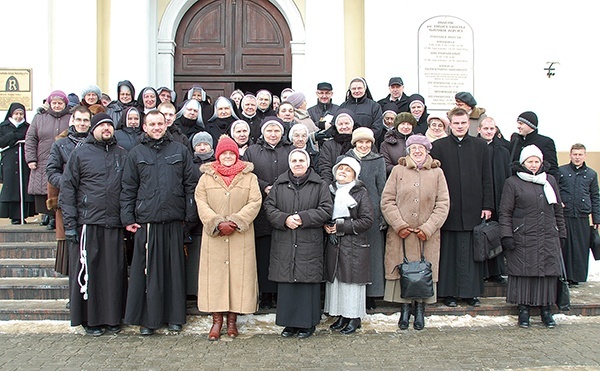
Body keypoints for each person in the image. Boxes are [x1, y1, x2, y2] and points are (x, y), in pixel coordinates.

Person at [121, 110, 199, 335]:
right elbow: (128, 189)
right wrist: (128, 218)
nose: (156, 127)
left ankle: (175, 317)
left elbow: (190, 186)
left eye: (160, 123)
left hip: (175, 221)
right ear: (145, 127)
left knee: (174, 274)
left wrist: (189, 217)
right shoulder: (136, 153)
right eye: (152, 124)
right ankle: (149, 320)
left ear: (166, 125)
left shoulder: (180, 151)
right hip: (147, 223)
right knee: (148, 275)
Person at [59, 113, 128, 336]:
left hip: (114, 223)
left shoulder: (122, 154)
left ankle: (112, 318)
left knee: (113, 274)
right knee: (90, 272)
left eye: (109, 125)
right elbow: (68, 190)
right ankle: (90, 320)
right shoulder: (80, 154)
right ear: (93, 129)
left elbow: (129, 189)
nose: (106, 129)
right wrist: (70, 224)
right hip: (87, 223)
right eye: (102, 125)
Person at [195, 136, 262, 340]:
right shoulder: (206, 177)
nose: (227, 157)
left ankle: (232, 322)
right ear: (218, 155)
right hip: (214, 236)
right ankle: (217, 322)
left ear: (236, 154)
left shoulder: (249, 177)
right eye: (223, 153)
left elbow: (255, 201)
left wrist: (235, 221)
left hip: (239, 235)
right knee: (215, 279)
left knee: (237, 278)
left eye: (231, 153)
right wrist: (216, 222)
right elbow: (201, 201)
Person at [381, 134, 449, 330]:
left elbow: (443, 204)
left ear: (427, 151)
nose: (417, 151)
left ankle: (420, 309)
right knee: (403, 269)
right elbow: (387, 200)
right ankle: (404, 309)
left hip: (427, 234)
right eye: (414, 148)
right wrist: (399, 225)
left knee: (423, 271)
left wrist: (428, 227)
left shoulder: (437, 173)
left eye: (421, 148)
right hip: (401, 233)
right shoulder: (398, 170)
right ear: (408, 150)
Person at [264, 148, 333, 338]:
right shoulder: (280, 183)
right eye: (294, 160)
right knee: (287, 282)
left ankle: (307, 324)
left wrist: (303, 218)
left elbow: (326, 209)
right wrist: (284, 219)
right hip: (285, 239)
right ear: (289, 163)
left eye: (301, 160)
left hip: (308, 240)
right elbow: (269, 207)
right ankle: (289, 324)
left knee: (306, 282)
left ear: (308, 163)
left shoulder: (319, 184)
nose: (297, 163)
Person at [429, 107, 493, 308]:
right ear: (450, 124)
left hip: (473, 207)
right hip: (449, 208)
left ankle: (471, 292)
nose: (460, 126)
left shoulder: (480, 146)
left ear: (469, 124)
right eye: (456, 123)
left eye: (463, 123)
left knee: (471, 253)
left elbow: (487, 177)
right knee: (449, 252)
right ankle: (449, 293)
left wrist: (487, 205)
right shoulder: (438, 146)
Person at [499, 145, 566, 328]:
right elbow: (505, 212)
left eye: (537, 161)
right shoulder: (513, 182)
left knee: (546, 273)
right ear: (523, 163)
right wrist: (506, 235)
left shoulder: (549, 180)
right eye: (530, 161)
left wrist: (562, 233)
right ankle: (524, 311)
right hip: (522, 236)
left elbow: (557, 210)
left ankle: (546, 311)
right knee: (523, 274)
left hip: (547, 235)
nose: (534, 165)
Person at [242, 117, 292, 309]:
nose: (273, 134)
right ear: (263, 132)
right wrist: (264, 187)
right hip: (261, 208)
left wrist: (279, 187)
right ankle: (265, 294)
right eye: (269, 130)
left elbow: (297, 169)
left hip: (284, 205)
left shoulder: (289, 150)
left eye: (276, 131)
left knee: (281, 252)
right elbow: (247, 174)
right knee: (263, 253)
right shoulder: (252, 151)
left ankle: (280, 293)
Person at [324, 157, 374, 334]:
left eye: (347, 170)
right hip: (334, 243)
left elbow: (367, 220)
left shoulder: (360, 192)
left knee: (351, 282)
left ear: (354, 175)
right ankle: (342, 315)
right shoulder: (329, 190)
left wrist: (342, 226)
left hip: (354, 243)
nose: (343, 172)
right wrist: (327, 225)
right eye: (340, 169)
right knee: (337, 281)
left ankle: (354, 317)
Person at [46, 106, 92, 277]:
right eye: (79, 119)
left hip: (91, 200)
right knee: (71, 249)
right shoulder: (60, 144)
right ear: (72, 120)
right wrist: (67, 184)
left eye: (86, 120)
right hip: (68, 200)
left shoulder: (95, 142)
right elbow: (51, 170)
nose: (82, 123)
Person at [344, 128, 386, 309]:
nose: (364, 145)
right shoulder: (344, 160)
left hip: (372, 212)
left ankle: (372, 293)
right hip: (349, 213)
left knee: (373, 254)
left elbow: (382, 188)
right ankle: (352, 294)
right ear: (354, 143)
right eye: (360, 142)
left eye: (367, 142)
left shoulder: (378, 160)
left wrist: (382, 215)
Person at [25, 90, 72, 229]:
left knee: (58, 187)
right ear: (49, 104)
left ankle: (55, 217)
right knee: (43, 188)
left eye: (60, 103)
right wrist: (31, 159)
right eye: (54, 103)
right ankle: (47, 215)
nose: (57, 106)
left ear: (65, 104)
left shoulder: (70, 117)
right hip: (43, 158)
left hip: (63, 158)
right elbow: (31, 138)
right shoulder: (39, 118)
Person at [558, 143, 600, 285]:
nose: (577, 157)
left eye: (580, 154)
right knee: (566, 247)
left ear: (585, 156)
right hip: (566, 215)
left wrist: (596, 218)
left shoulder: (591, 174)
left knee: (581, 248)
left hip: (582, 216)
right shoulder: (561, 172)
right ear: (570, 155)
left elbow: (595, 196)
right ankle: (565, 277)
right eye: (575, 154)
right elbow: (555, 191)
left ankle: (578, 278)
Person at [478, 117, 511, 283]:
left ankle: (496, 271)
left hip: (499, 198)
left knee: (496, 234)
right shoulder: (475, 148)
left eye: (492, 129)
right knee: (481, 235)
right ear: (479, 130)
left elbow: (507, 176)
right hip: (481, 200)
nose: (489, 131)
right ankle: (482, 271)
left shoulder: (503, 151)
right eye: (486, 128)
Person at [0, 103, 35, 224]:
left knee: (23, 186)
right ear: (11, 114)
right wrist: (13, 136)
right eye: (16, 114)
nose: (19, 116)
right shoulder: (3, 127)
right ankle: (13, 215)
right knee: (11, 187)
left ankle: (22, 215)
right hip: (9, 160)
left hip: (23, 160)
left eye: (21, 114)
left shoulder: (28, 127)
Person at [509, 111, 559, 180]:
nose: (518, 126)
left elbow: (552, 168)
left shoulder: (546, 142)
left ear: (530, 125)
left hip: (538, 185)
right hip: (517, 186)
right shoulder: (515, 142)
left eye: (521, 124)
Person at [317, 109, 357, 185]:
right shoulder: (328, 145)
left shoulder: (359, 143)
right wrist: (328, 186)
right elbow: (325, 167)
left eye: (347, 123)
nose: (344, 127)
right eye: (340, 124)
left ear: (352, 125)